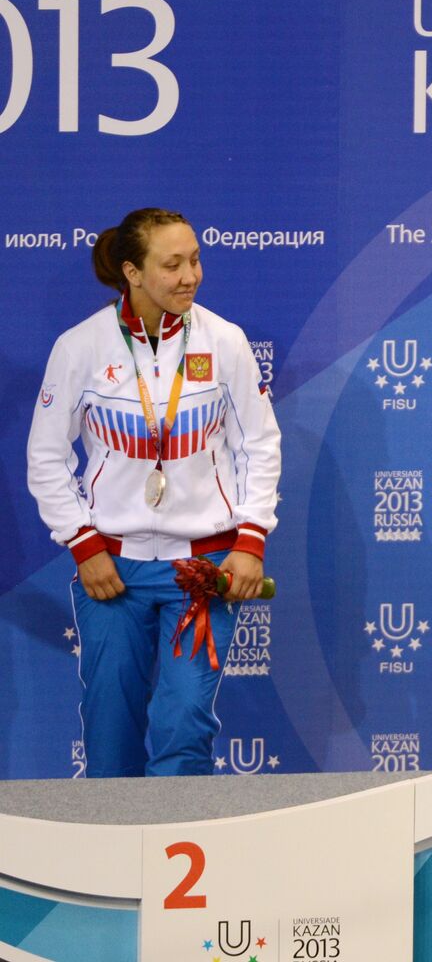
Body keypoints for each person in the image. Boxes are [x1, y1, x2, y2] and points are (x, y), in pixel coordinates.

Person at [27, 208, 281, 775]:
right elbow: (45, 456)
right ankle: (111, 836)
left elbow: (260, 444)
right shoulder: (81, 346)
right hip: (113, 570)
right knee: (110, 728)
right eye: (173, 265)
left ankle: (179, 832)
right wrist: (83, 545)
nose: (191, 276)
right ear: (132, 272)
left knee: (185, 720)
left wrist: (251, 539)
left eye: (195, 260)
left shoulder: (224, 340)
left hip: (203, 568)